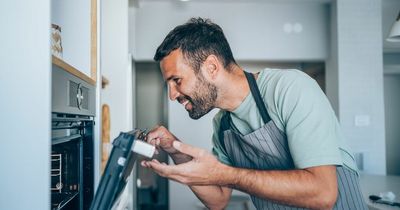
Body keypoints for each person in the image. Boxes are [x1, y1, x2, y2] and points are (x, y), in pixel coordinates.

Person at [141, 17, 367, 210]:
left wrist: (227, 175)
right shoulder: (223, 125)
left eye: (176, 81)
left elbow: (323, 193)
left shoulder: (289, 89)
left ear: (211, 67)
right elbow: (218, 199)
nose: (172, 95)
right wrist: (175, 150)